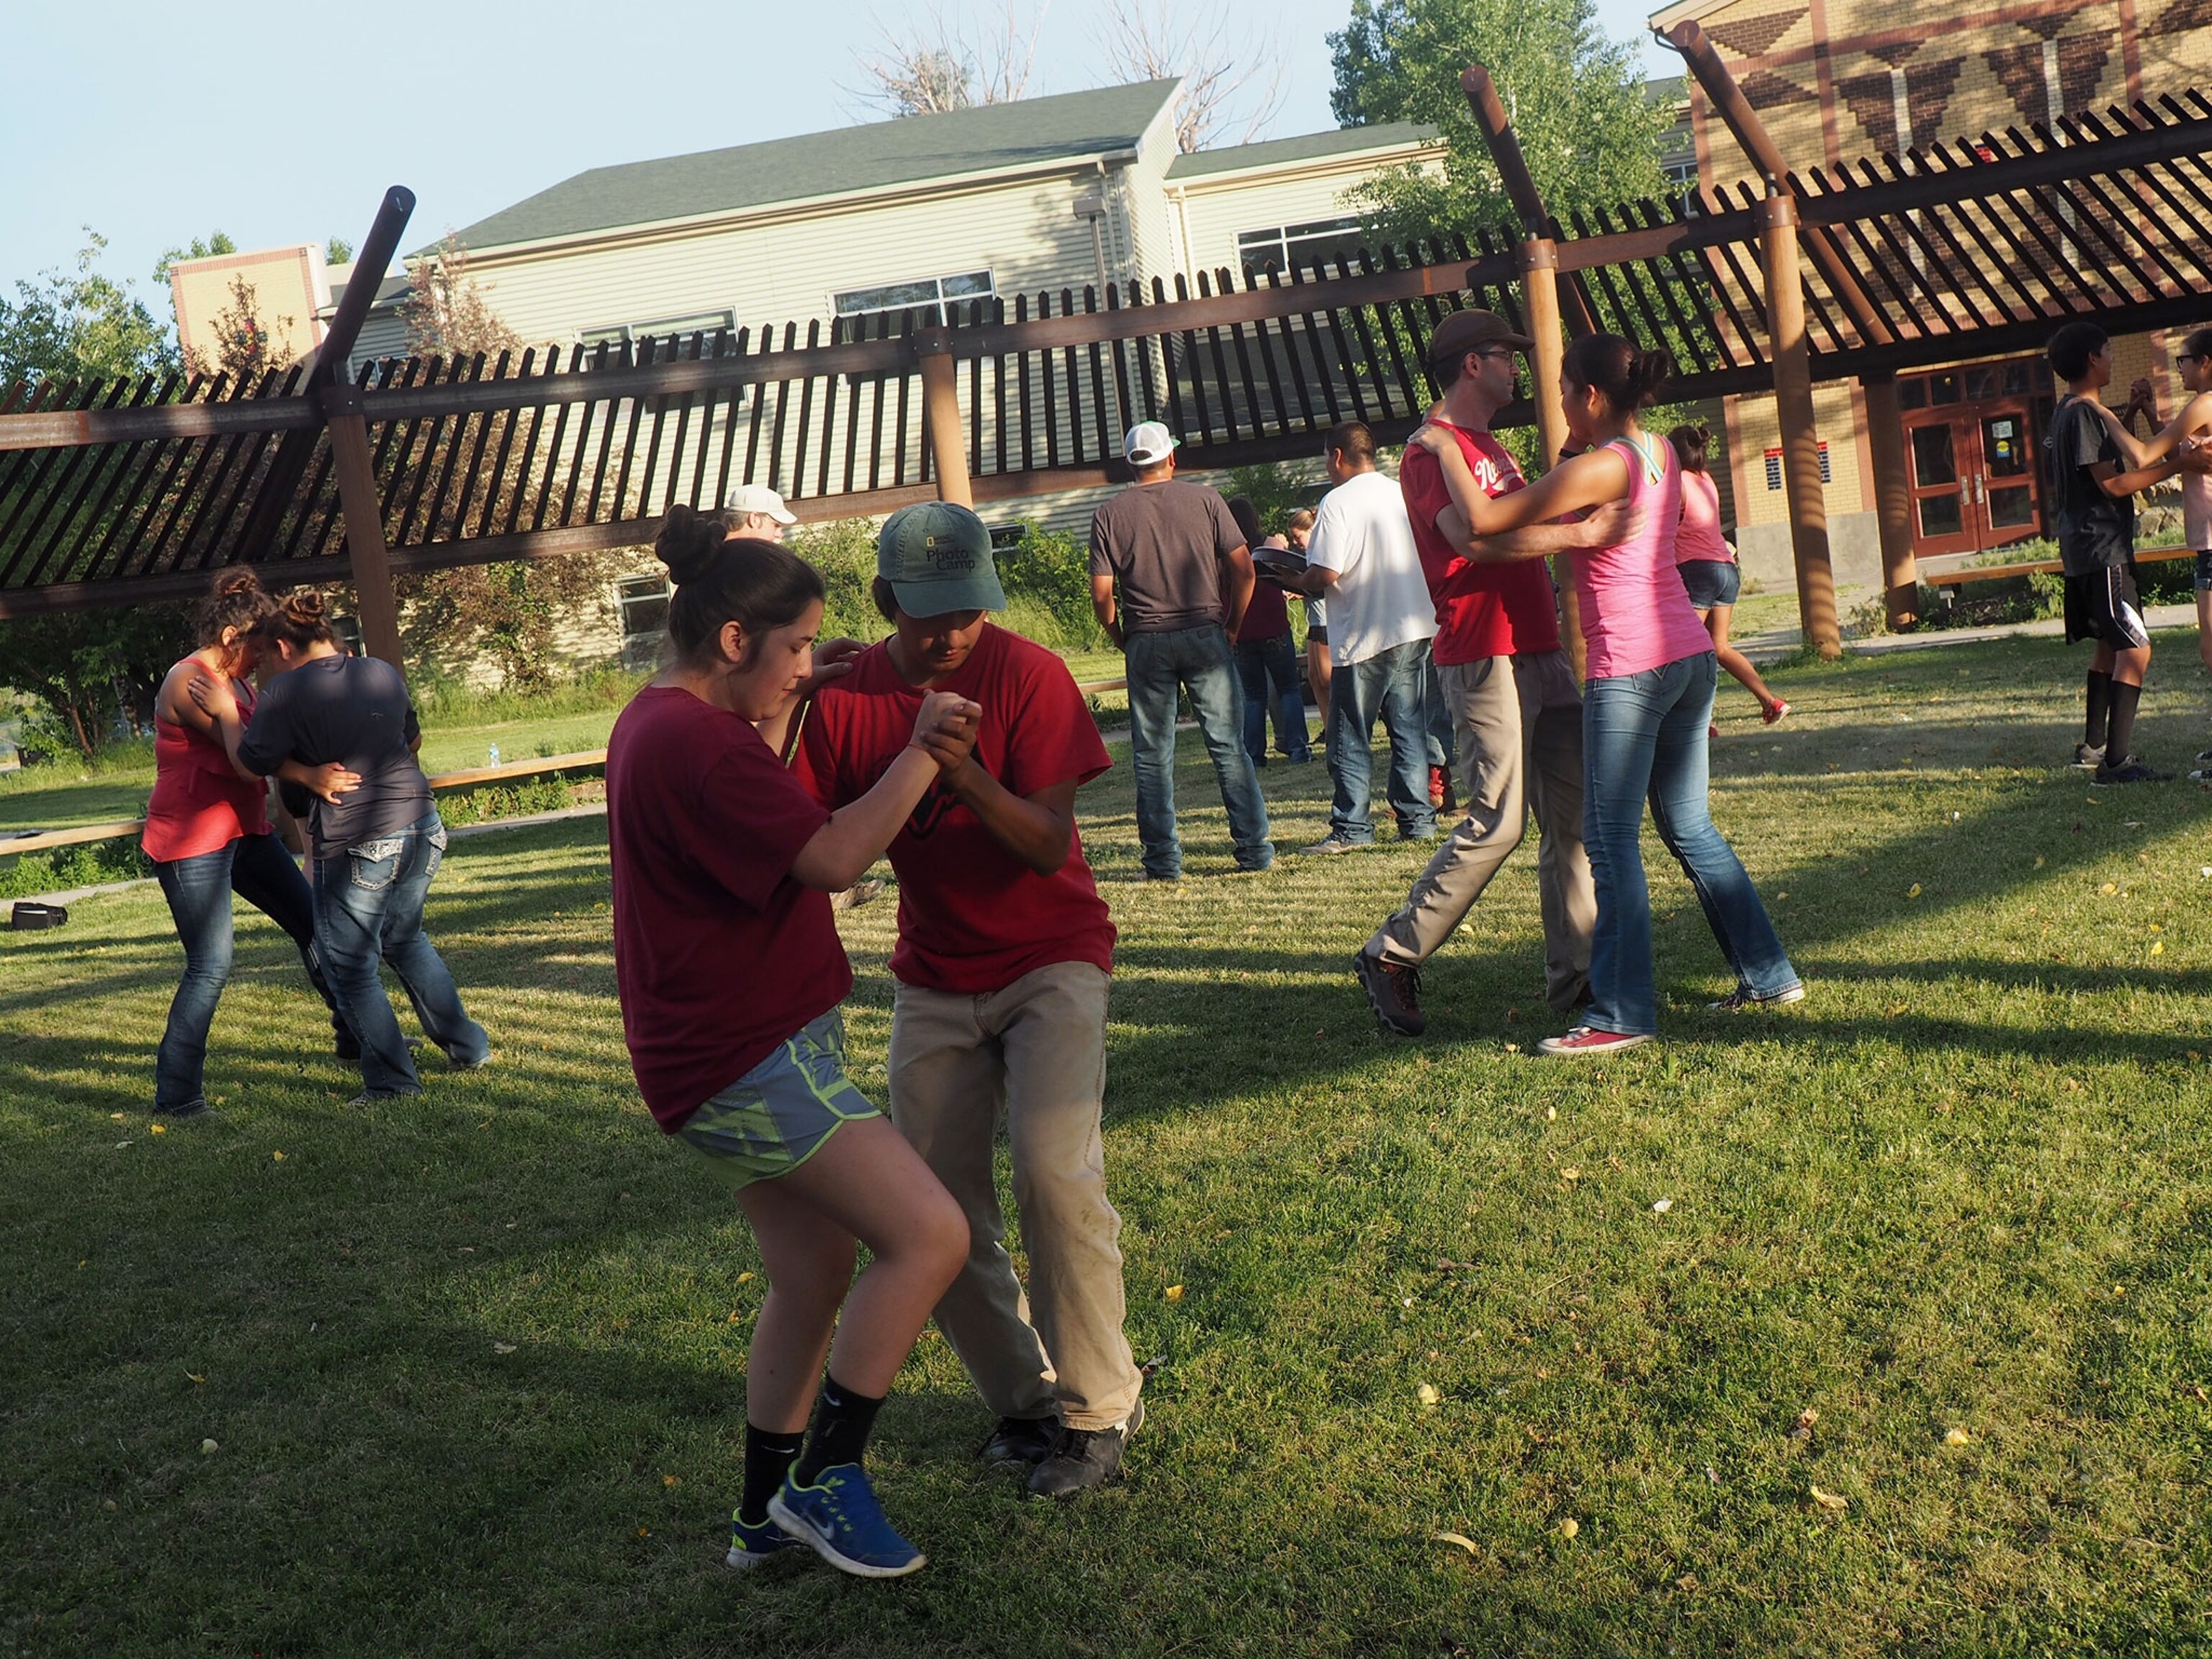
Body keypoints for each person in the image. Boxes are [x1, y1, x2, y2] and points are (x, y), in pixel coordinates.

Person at [606, 506, 977, 1579]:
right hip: (745, 1058)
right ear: (734, 640)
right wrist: (923, 751)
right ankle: (826, 1479)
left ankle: (763, 1515)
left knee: (813, 1272)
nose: (809, 664)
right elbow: (830, 859)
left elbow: (754, 799)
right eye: (799, 646)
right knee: (930, 1235)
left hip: (725, 1051)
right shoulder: (693, 742)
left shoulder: (666, 720)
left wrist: (796, 696)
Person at [793, 501, 1143, 1500]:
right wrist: (799, 700)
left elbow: (1045, 846)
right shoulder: (854, 695)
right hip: (936, 975)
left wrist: (962, 772)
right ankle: (1027, 1403)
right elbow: (818, 839)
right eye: (927, 614)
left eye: (968, 611)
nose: (950, 634)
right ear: (884, 599)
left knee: (1053, 1175)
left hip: (1053, 959)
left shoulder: (1028, 674)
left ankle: (1098, 1413)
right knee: (932, 1211)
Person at [1411, 332, 1802, 1055]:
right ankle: (1770, 974)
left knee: (1612, 842)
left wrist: (1440, 448)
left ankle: (1619, 1014)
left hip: (1632, 667)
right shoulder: (1660, 452)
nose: (1555, 402)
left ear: (1591, 395)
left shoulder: (1600, 468)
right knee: (1689, 827)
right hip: (1688, 657)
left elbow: (1490, 522)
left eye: (1563, 390)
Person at [1351, 310, 1617, 1038]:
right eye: (1507, 356)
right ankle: (1392, 953)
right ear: (1473, 364)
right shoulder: (1427, 452)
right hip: (1483, 652)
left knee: (1572, 822)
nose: (1517, 369)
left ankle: (1579, 979)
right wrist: (1577, 533)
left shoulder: (1485, 445)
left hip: (1537, 649)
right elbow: (1470, 540)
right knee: (1497, 822)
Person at [192, 593, 490, 1101]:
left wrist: (226, 711)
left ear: (284, 644)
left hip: (358, 838)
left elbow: (255, 759)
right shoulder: (379, 671)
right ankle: (468, 1046)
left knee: (348, 965)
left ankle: (393, 1083)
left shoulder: (284, 693)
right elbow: (411, 739)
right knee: (405, 939)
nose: (265, 664)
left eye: (268, 653)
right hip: (422, 824)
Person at [144, 570, 354, 1118]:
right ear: (234, 638)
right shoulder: (188, 683)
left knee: (314, 924)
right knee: (211, 963)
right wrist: (309, 778)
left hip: (244, 832)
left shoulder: (236, 682)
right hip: (191, 843)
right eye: (258, 650)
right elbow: (244, 763)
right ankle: (178, 1096)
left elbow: (265, 744)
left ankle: (359, 1038)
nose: (264, 660)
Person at [1089, 421, 1273, 878]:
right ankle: (1254, 851)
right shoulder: (1207, 500)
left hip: (1146, 639)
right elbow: (1244, 571)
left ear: (1131, 465)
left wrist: (1119, 635)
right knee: (1229, 748)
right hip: (1205, 632)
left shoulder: (1109, 514)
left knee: (1152, 756)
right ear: (1170, 458)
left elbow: (1101, 594)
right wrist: (1231, 625)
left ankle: (1162, 862)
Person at [2041, 320, 2194, 784]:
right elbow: (2113, 482)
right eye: (2108, 350)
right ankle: (2116, 764)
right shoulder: (2086, 413)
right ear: (2093, 358)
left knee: (2109, 645)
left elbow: (2099, 461)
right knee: (2137, 649)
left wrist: (2128, 413)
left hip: (2086, 546)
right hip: (2101, 546)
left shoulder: (2067, 410)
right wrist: (2181, 462)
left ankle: (2092, 747)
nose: (2111, 357)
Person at [1290, 421, 1439, 852]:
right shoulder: (1399, 492)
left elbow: (1327, 572)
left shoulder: (1337, 502)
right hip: (1413, 624)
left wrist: (1296, 577)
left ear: (1337, 456)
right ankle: (1418, 819)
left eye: (1326, 458)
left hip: (1364, 631)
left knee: (1351, 734)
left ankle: (1352, 827)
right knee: (1409, 728)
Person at [2088, 327, 2212, 778]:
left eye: (2184, 358)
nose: (2179, 366)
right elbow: (2178, 448)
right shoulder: (2203, 408)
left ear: (2206, 362)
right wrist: (2143, 410)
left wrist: (2100, 412)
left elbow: (2145, 458)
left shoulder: (2205, 402)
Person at [1666, 423, 1788, 727]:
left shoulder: (1676, 484)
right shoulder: (1707, 480)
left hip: (1697, 571)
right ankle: (1770, 701)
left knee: (1684, 650)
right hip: (1726, 568)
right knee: (1718, 647)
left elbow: (1663, 529)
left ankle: (1699, 721)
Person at [1225, 497, 1310, 765]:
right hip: (1274, 628)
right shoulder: (1268, 546)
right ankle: (1298, 749)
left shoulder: (1222, 554)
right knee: (1289, 689)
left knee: (1253, 696)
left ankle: (1254, 754)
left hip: (1242, 631)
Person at [1287, 508, 1330, 739]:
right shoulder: (1307, 556)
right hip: (1314, 620)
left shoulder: (1321, 553)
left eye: (1298, 537)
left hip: (1326, 619)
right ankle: (1328, 726)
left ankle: (1339, 723)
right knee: (1314, 678)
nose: (1296, 543)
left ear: (1311, 530)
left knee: (1327, 677)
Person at [725, 482, 797, 541]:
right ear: (754, 519)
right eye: (776, 526)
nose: (780, 535)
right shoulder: (746, 557)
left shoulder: (717, 552)